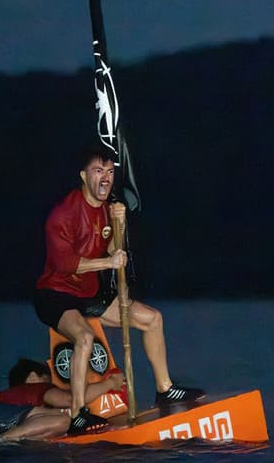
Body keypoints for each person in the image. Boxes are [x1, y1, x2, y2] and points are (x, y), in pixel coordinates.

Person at [34, 147, 203, 435]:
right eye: (99, 171)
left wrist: (119, 225)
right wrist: (109, 262)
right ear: (84, 176)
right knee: (84, 336)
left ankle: (165, 389)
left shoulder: (108, 209)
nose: (106, 178)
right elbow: (67, 265)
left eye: (110, 172)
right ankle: (77, 414)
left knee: (152, 319)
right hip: (55, 294)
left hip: (88, 293)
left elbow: (114, 250)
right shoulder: (63, 214)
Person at [0, 358, 126, 445]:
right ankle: (1, 440)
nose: (52, 387)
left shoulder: (11, 398)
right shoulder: (35, 388)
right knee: (62, 420)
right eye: (49, 381)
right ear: (34, 377)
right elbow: (71, 399)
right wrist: (110, 383)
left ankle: (0, 439)